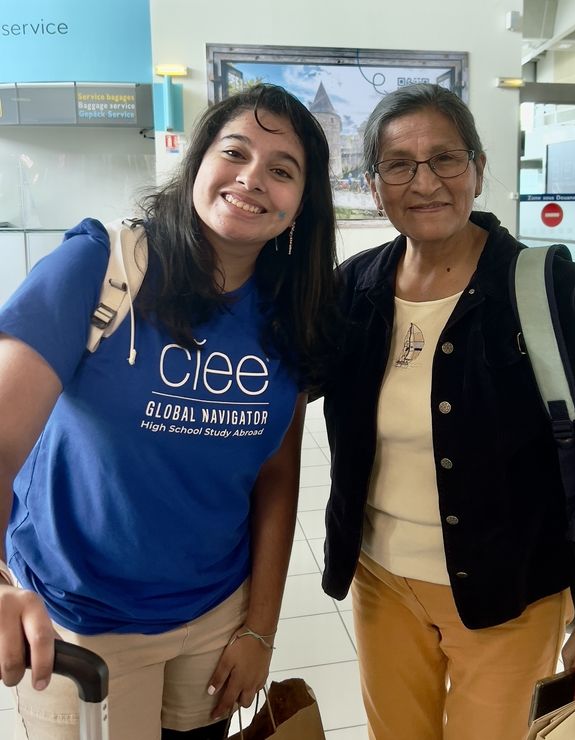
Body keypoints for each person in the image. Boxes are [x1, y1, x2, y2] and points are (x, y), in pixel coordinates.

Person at [320, 83, 575, 740]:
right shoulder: (356, 289)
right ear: (375, 185)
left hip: (510, 590)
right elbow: (276, 383)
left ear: (478, 169)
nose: (425, 181)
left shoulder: (541, 285)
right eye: (400, 164)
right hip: (380, 583)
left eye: (445, 159)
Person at [0, 83, 338, 739]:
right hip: (84, 616)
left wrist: (261, 628)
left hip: (213, 615)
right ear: (197, 165)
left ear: (301, 206)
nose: (251, 179)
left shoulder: (290, 316)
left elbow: (275, 475)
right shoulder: (99, 266)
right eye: (234, 152)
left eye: (282, 169)